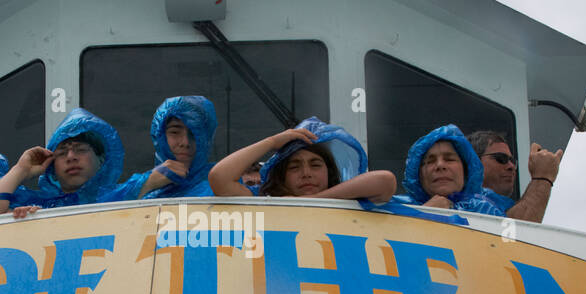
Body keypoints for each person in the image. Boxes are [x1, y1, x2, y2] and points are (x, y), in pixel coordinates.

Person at [0, 108, 125, 218]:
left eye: (81, 149)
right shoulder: (38, 205)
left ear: (102, 159)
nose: (71, 157)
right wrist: (21, 170)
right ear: (52, 168)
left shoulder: (123, 197)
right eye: (62, 153)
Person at [208, 117, 397, 202]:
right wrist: (273, 141)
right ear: (282, 176)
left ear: (329, 171)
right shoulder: (268, 202)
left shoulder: (348, 197)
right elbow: (219, 178)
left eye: (315, 165)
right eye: (294, 167)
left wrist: (315, 199)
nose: (306, 174)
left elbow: (385, 180)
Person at [111, 96, 218, 200]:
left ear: (205, 140)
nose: (185, 142)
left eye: (194, 134)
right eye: (175, 132)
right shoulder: (138, 186)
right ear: (160, 137)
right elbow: (104, 211)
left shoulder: (220, 183)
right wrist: (148, 184)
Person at [401, 125, 508, 215]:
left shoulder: (486, 210)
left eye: (449, 159)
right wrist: (425, 212)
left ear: (466, 171)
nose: (440, 165)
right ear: (418, 176)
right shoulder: (399, 208)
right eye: (430, 161)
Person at [467, 130, 561, 223]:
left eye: (512, 161)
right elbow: (514, 233)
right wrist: (542, 178)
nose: (511, 166)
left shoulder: (504, 208)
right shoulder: (465, 204)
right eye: (501, 158)